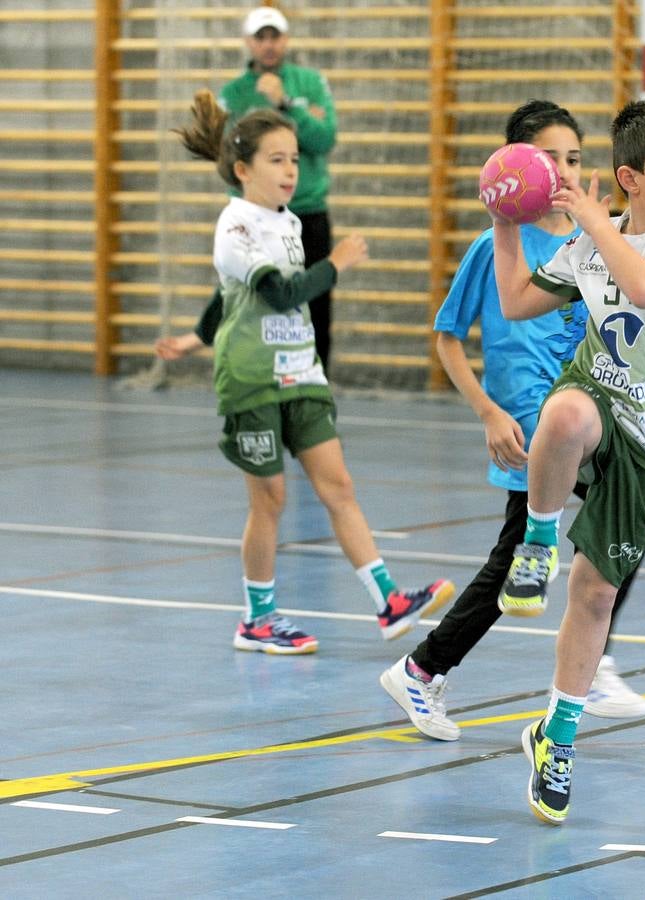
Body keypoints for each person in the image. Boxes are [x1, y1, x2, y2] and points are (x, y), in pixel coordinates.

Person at [494, 96, 645, 825]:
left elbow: (642, 288)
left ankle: (555, 735)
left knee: (597, 593)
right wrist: (505, 224)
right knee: (565, 410)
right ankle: (536, 540)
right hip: (597, 398)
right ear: (630, 177)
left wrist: (591, 222)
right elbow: (512, 302)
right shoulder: (593, 242)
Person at [379, 101, 645, 744]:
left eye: (575, 159)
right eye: (549, 158)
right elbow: (448, 337)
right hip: (530, 423)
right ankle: (592, 661)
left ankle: (422, 668)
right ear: (517, 168)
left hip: (580, 411)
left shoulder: (592, 241)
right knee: (616, 514)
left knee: (529, 556)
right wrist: (488, 411)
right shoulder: (494, 246)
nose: (563, 170)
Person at [166, 90, 453, 653]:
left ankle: (388, 600)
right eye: (277, 159)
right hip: (252, 380)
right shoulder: (236, 227)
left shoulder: (288, 222)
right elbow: (277, 294)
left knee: (338, 486)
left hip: (301, 372)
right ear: (242, 169)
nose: (291, 169)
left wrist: (191, 337)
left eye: (295, 159)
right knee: (269, 501)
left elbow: (225, 298)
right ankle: (258, 618)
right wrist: (336, 265)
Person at [218, 6, 338, 376]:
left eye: (275, 36)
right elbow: (225, 157)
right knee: (252, 301)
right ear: (248, 42)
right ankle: (254, 379)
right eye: (260, 37)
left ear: (285, 40)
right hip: (255, 218)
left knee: (315, 305)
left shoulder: (309, 83)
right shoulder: (233, 94)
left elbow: (323, 139)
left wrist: (286, 104)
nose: (268, 45)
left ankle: (315, 386)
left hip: (307, 213)